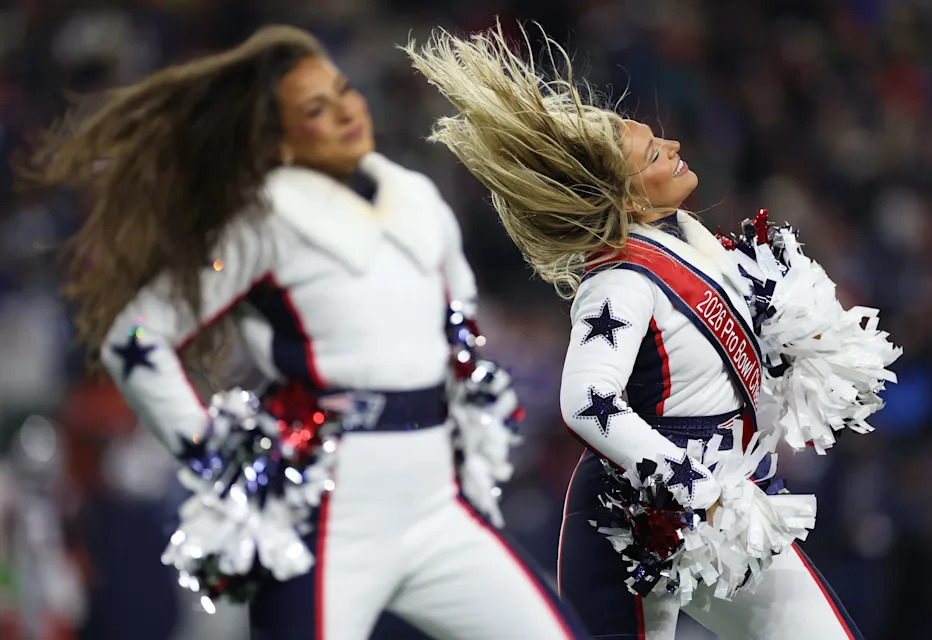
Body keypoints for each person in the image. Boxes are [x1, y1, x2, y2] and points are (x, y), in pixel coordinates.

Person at [26, 25, 584, 640]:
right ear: (280, 138)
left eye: (344, 91)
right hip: (328, 516)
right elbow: (137, 341)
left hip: (437, 503)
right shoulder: (260, 222)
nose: (346, 110)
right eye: (315, 109)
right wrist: (211, 455)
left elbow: (461, 339)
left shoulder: (418, 198)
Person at [406, 24, 864, 640]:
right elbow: (586, 405)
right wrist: (683, 479)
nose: (673, 145)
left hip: (728, 504)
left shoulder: (694, 247)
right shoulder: (619, 282)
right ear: (623, 196)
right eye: (653, 154)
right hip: (634, 528)